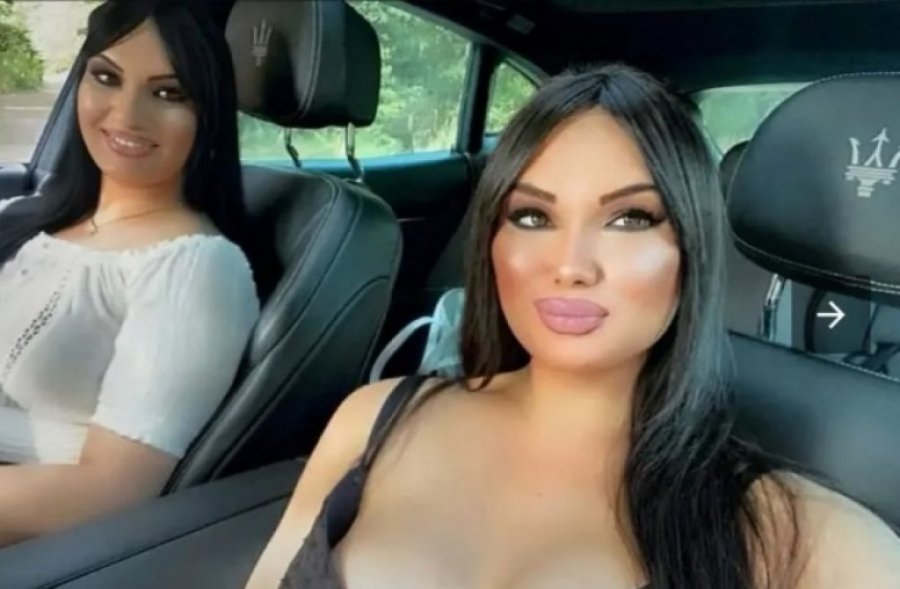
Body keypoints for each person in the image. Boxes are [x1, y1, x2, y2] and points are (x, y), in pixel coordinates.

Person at [246, 63, 900, 589]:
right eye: (532, 216)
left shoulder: (804, 538)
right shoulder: (372, 421)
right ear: (492, 240)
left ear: (690, 250)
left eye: (630, 219)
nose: (570, 265)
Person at [0, 0, 259, 546]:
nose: (126, 115)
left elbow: (113, 490)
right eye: (106, 77)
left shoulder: (193, 267)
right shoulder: (34, 218)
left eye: (168, 93)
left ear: (207, 113)